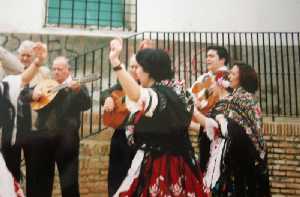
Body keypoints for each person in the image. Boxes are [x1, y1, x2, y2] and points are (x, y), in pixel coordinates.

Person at [109, 38, 206, 197]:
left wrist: (115, 62)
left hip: (162, 165)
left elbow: (136, 95)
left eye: (139, 67)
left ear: (149, 70)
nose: (136, 71)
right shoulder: (176, 90)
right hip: (182, 161)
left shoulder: (160, 94)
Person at [193, 62, 270, 197]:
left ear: (243, 78)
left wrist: (194, 112)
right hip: (229, 159)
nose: (230, 77)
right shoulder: (234, 99)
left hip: (241, 159)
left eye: (233, 74)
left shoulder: (244, 99)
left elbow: (227, 129)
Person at [25, 56, 91, 197]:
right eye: (54, 69)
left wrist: (78, 90)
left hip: (66, 140)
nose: (56, 72)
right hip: (43, 137)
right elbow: (24, 93)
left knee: (69, 182)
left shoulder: (77, 85)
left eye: (59, 69)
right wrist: (33, 94)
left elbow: (87, 104)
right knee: (42, 181)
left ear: (68, 70)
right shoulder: (46, 84)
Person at [1, 42, 47, 182]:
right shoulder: (8, 74)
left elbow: (46, 94)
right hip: (12, 130)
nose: (25, 58)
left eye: (29, 55)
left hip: (33, 128)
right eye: (23, 55)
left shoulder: (43, 73)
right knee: (11, 171)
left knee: (34, 171)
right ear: (17, 56)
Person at [102, 55, 139, 197]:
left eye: (137, 67)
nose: (134, 70)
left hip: (141, 138)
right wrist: (108, 98)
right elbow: (105, 92)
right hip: (121, 138)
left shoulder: (149, 87)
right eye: (131, 67)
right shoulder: (122, 84)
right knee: (116, 179)